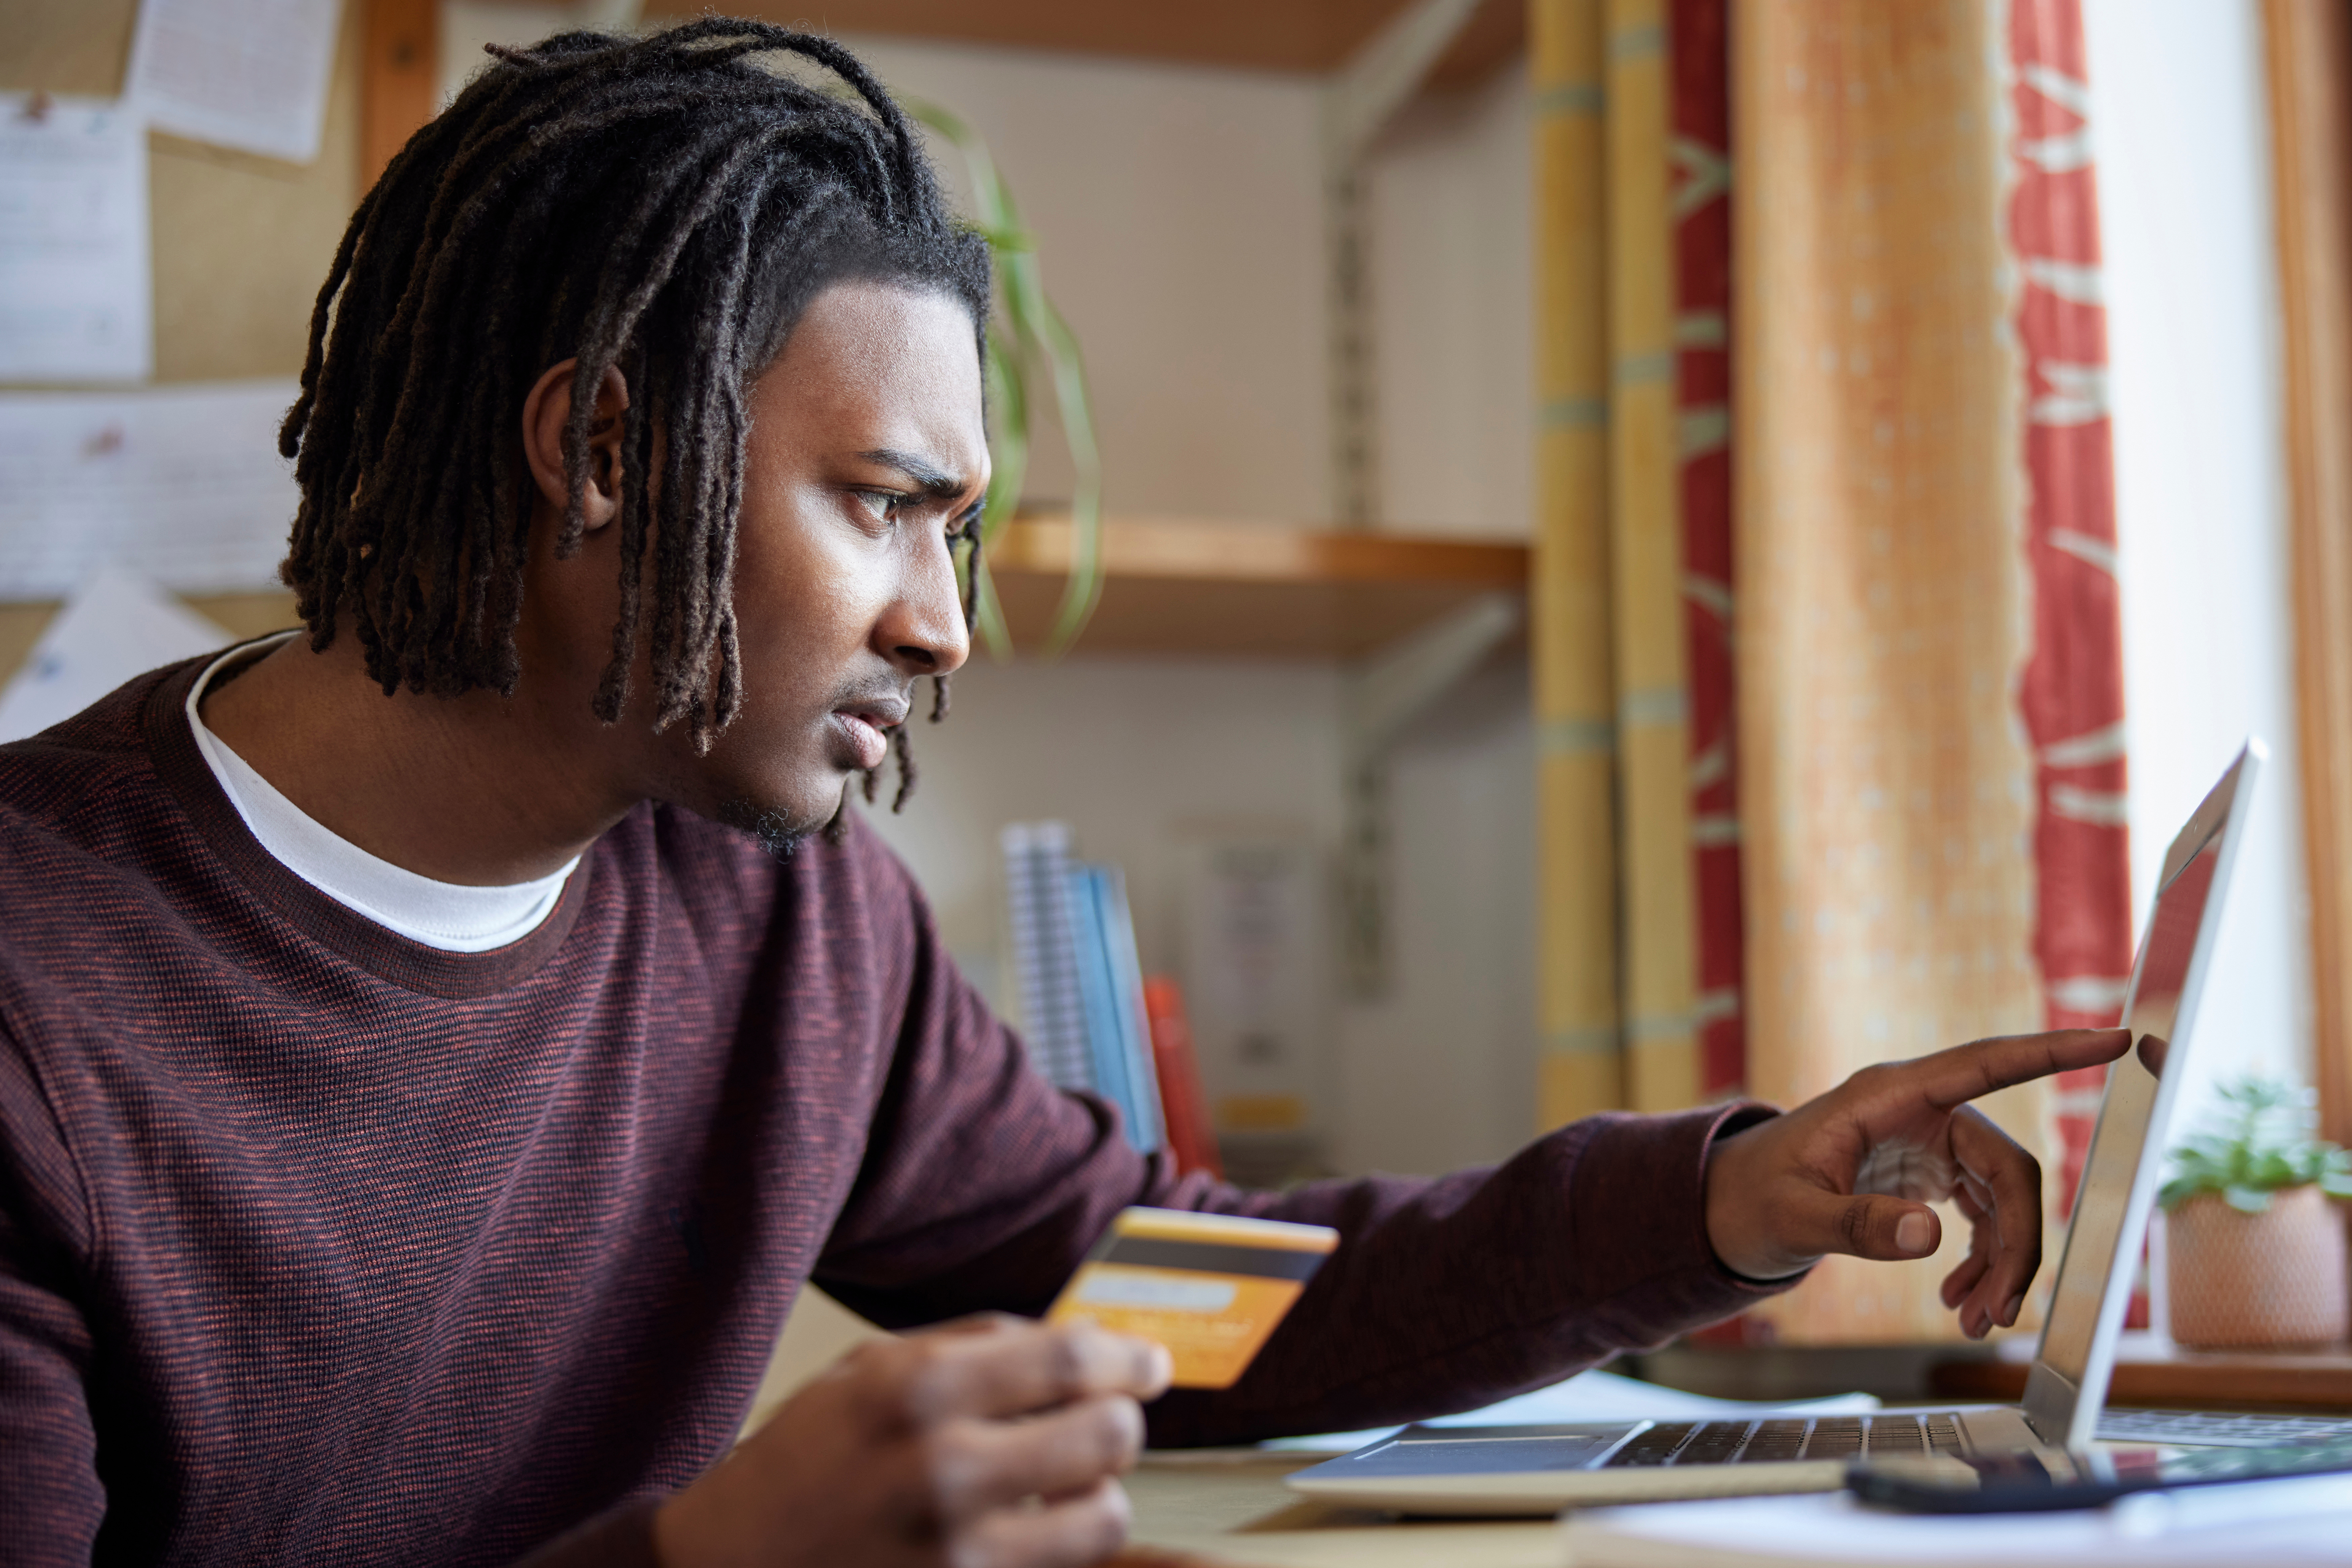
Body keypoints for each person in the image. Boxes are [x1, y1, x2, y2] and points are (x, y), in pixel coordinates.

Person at [0, 21, 2128, 1568]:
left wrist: (1713, 1198)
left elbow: (1155, 1292)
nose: (943, 624)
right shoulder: (40, 999)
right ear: (606, 451)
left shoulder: (783, 911)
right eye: (883, 507)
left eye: (962, 534)